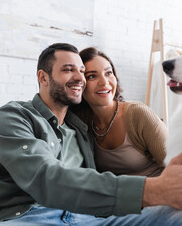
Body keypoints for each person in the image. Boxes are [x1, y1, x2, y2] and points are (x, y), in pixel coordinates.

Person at [0, 43, 182, 226]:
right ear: (43, 78)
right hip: (28, 218)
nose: (80, 77)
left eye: (82, 71)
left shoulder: (81, 130)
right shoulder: (12, 117)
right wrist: (153, 190)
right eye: (69, 70)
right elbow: (47, 178)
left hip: (87, 220)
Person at [71, 47, 166, 177]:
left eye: (108, 73)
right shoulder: (81, 122)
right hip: (119, 195)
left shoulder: (138, 114)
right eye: (92, 76)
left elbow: (175, 166)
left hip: (158, 191)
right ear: (80, 84)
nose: (104, 82)